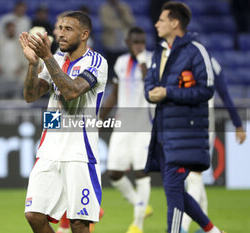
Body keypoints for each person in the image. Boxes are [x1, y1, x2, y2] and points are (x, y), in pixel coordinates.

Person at [20, 11, 108, 233]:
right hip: (49, 150)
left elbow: (72, 91)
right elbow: (30, 95)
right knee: (34, 215)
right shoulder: (57, 60)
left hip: (79, 153)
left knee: (79, 225)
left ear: (84, 34)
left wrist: (47, 58)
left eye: (68, 29)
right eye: (60, 28)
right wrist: (32, 64)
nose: (60, 34)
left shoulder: (96, 62)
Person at [144, 2, 226, 233]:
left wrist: (168, 92)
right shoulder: (159, 51)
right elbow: (150, 83)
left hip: (186, 134)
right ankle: (213, 231)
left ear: (175, 23)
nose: (156, 23)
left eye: (161, 20)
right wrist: (151, 93)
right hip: (164, 133)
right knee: (175, 189)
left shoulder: (196, 51)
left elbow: (207, 88)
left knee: (172, 190)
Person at [180, 57, 247, 233]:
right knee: (195, 179)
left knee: (193, 176)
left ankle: (183, 228)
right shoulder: (178, 58)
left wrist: (238, 124)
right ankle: (208, 228)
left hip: (201, 125)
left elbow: (224, 94)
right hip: (182, 124)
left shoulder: (208, 63)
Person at [100, 26, 153, 233]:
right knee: (114, 172)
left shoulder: (152, 61)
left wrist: (145, 68)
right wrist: (100, 119)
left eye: (142, 42)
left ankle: (137, 224)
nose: (139, 46)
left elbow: (154, 87)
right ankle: (140, 204)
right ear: (128, 43)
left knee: (142, 173)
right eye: (135, 42)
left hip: (144, 126)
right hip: (122, 124)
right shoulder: (121, 63)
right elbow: (114, 94)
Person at [0, 21, 27, 98]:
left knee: (16, 98)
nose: (11, 31)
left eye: (13, 29)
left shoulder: (21, 43)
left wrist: (21, 68)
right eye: (10, 29)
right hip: (2, 75)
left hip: (17, 76)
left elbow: (25, 58)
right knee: (1, 98)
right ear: (6, 30)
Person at [100, 0, 135, 80]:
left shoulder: (124, 7)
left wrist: (122, 13)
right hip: (111, 42)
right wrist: (121, 24)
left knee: (123, 65)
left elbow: (130, 21)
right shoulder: (105, 8)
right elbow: (106, 23)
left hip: (123, 42)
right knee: (111, 66)